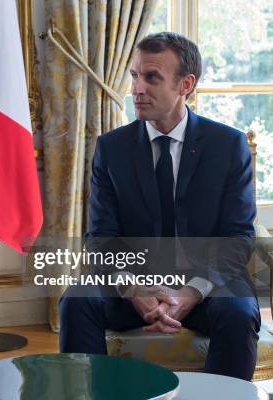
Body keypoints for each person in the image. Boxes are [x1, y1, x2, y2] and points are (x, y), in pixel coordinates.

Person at [58, 32, 260, 380]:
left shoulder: (227, 145)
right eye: (135, 75)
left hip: (206, 284)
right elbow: (101, 237)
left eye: (152, 77)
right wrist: (134, 289)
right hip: (133, 282)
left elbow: (238, 237)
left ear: (186, 84)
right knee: (76, 301)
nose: (137, 88)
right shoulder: (112, 148)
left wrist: (192, 291)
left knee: (239, 311)